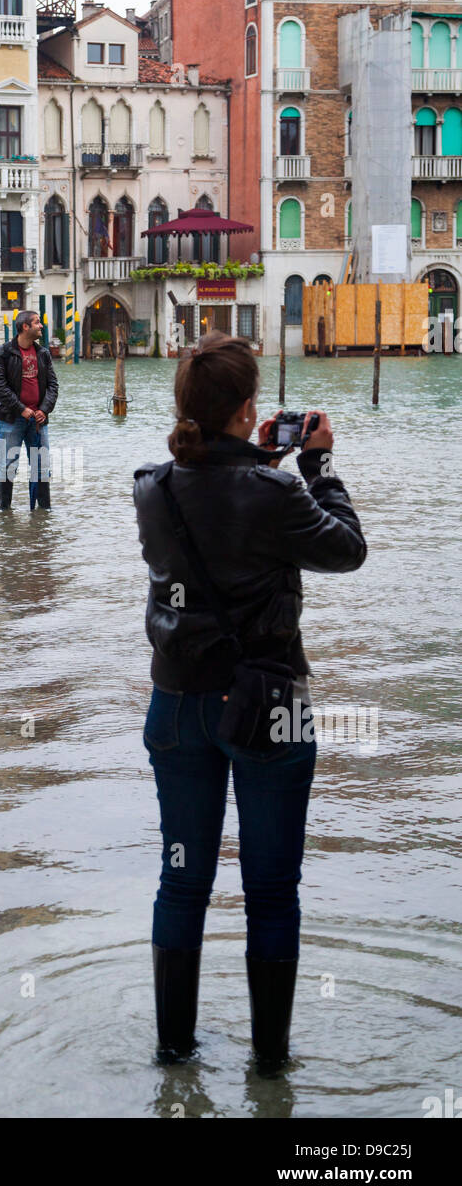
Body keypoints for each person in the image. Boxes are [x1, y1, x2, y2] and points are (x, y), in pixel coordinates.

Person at [132, 330, 367, 1071]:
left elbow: (214, 513)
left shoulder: (153, 488)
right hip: (269, 706)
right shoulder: (277, 491)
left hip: (177, 707)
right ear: (244, 409)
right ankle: (271, 1065)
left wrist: (256, 459)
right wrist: (317, 465)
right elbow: (347, 549)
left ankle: (174, 1053)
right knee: (270, 889)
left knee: (181, 879)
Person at [0, 310, 58, 510]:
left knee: (41, 467)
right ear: (25, 327)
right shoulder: (2, 353)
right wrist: (21, 409)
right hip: (11, 419)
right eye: (37, 322)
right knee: (8, 465)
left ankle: (43, 513)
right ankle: (5, 511)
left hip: (39, 420)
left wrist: (44, 410)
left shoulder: (43, 353)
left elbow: (53, 385)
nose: (41, 326)